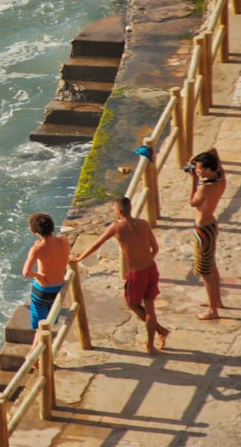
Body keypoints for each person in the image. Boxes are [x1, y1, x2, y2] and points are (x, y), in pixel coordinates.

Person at [70, 197, 169, 354]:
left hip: (137, 273)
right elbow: (155, 248)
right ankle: (152, 343)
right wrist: (147, 260)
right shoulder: (143, 223)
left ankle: (160, 332)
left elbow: (97, 244)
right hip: (151, 268)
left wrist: (79, 258)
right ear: (130, 208)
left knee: (131, 303)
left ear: (118, 211)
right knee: (150, 309)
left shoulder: (116, 227)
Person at [22, 213, 71, 358]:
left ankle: (31, 356)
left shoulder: (37, 248)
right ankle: (37, 356)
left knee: (39, 328)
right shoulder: (64, 241)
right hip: (58, 288)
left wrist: (38, 276)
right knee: (47, 327)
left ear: (35, 231)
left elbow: (25, 272)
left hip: (42, 290)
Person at [188, 147, 226, 320]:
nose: (197, 171)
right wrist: (197, 159)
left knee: (206, 271)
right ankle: (216, 301)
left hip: (203, 229)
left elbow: (193, 203)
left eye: (200, 169)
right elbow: (214, 151)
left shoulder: (204, 188)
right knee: (212, 264)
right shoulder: (221, 178)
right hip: (211, 224)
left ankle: (212, 310)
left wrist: (193, 181)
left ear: (208, 170)